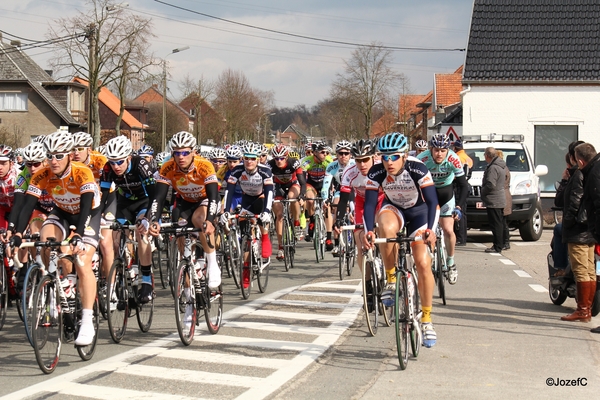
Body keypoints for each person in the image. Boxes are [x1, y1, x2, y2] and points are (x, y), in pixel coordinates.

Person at [10, 131, 102, 346]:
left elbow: (87, 204)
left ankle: (87, 321)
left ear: (70, 155)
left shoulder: (82, 172)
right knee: (45, 237)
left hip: (87, 215)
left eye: (59, 156)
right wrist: (16, 233)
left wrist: (78, 234)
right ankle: (54, 281)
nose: (54, 161)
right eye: (50, 155)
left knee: (82, 261)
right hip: (61, 212)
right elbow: (27, 206)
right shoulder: (41, 174)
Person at [362, 132, 439, 347]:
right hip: (394, 209)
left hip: (419, 212)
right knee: (384, 227)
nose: (388, 162)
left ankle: (426, 318)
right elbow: (369, 205)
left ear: (404, 156)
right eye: (384, 157)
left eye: (394, 157)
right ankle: (392, 279)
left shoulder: (418, 169)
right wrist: (369, 231)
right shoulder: (376, 171)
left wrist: (431, 230)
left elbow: (433, 202)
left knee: (423, 262)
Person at [146, 131, 221, 291]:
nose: (181, 156)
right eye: (177, 153)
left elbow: (214, 196)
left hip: (204, 199)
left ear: (193, 152)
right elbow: (158, 198)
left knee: (200, 220)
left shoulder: (204, 165)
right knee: (182, 243)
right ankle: (188, 294)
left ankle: (212, 262)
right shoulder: (167, 168)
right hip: (184, 201)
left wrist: (210, 219)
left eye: (185, 152)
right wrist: (154, 220)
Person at [100, 136, 156, 304]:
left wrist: (147, 218)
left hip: (144, 201)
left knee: (141, 232)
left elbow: (154, 194)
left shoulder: (140, 164)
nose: (116, 166)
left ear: (129, 158)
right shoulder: (108, 168)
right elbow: (103, 197)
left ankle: (146, 280)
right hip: (124, 202)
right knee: (115, 238)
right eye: (112, 162)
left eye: (120, 162)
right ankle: (124, 269)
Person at [334, 139, 384, 303]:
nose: (362, 165)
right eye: (358, 160)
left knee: (384, 230)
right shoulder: (349, 172)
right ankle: (368, 284)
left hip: (382, 198)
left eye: (365, 160)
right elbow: (343, 200)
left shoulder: (381, 167)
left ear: (373, 157)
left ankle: (389, 268)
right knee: (360, 241)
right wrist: (339, 220)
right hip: (362, 202)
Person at [220, 142, 274, 288]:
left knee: (262, 218)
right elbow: (229, 191)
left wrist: (267, 212)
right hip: (247, 199)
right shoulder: (237, 170)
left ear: (257, 159)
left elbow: (270, 192)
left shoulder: (265, 171)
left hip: (261, 198)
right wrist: (226, 211)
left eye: (252, 158)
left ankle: (264, 237)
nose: (249, 161)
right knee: (245, 235)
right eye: (246, 158)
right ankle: (245, 270)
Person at [417, 133, 468, 284]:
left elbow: (464, 185)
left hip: (446, 193)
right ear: (431, 149)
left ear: (448, 150)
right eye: (436, 150)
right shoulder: (422, 159)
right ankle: (428, 259)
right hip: (428, 193)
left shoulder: (453, 159)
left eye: (443, 150)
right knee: (426, 230)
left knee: (448, 230)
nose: (439, 154)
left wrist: (459, 207)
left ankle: (451, 262)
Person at [570, 142, 599, 327]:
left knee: (582, 269)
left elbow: (593, 202)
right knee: (589, 269)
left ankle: (584, 309)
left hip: (582, 231)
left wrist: (571, 221)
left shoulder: (592, 173)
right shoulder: (593, 169)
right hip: (591, 231)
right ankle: (586, 309)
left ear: (579, 161)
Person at [268, 144, 306, 260]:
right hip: (278, 186)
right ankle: (280, 247)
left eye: (281, 158)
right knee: (279, 215)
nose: (279, 161)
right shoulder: (269, 165)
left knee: (292, 197)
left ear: (286, 157)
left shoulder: (293, 163)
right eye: (276, 158)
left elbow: (302, 182)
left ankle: (296, 223)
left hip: (292, 185)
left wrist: (302, 196)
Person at [322, 140, 355, 253]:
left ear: (350, 154)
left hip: (354, 190)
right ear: (336, 154)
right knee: (336, 209)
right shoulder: (332, 166)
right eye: (340, 153)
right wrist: (325, 198)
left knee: (355, 212)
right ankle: (337, 244)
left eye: (346, 153)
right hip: (341, 190)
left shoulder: (355, 164)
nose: (343, 156)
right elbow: (326, 185)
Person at [302, 141, 333, 242]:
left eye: (326, 152)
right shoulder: (307, 161)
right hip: (311, 184)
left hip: (324, 184)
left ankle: (328, 238)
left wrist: (332, 189)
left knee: (327, 208)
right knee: (310, 200)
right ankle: (311, 221)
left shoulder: (328, 161)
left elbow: (333, 177)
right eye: (322, 152)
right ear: (315, 153)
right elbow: (302, 178)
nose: (325, 154)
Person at [481, 147, 506, 254]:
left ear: (487, 156)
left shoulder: (493, 168)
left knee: (496, 224)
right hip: (499, 198)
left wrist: (483, 191)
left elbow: (491, 184)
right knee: (499, 223)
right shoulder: (500, 165)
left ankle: (497, 246)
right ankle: (500, 243)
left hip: (494, 199)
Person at [452, 139, 473, 246]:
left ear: (455, 148)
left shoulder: (457, 158)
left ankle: (460, 238)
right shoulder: (468, 158)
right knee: (463, 213)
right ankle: (463, 237)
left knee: (458, 212)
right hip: (466, 186)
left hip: (458, 186)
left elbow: (455, 174)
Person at [496, 150, 512, 250]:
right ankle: (505, 242)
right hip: (505, 195)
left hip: (502, 196)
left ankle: (505, 242)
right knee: (503, 221)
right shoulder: (505, 168)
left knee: (502, 221)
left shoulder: (501, 169)